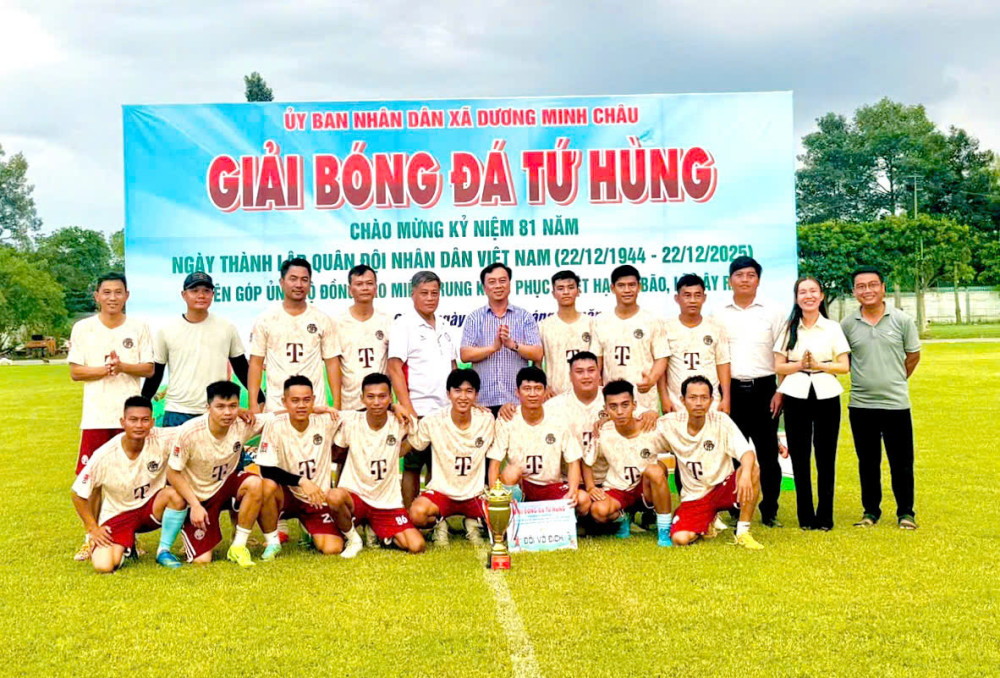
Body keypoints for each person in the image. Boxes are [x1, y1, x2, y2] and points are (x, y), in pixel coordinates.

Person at [68, 272, 154, 560]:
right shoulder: (83, 328)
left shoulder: (139, 327)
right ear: (97, 296)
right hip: (96, 417)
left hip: (130, 419)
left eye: (118, 292)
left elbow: (149, 368)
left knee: (130, 477)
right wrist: (105, 370)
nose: (113, 298)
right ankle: (90, 537)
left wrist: (123, 366)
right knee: (92, 479)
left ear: (127, 296)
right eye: (107, 292)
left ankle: (129, 538)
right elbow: (76, 372)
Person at [841, 266, 921, 529]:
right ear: (854, 291)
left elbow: (913, 356)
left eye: (873, 284)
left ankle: (906, 513)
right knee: (868, 462)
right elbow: (845, 359)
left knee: (902, 462)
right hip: (861, 405)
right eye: (861, 286)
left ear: (883, 287)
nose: (867, 290)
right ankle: (870, 511)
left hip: (896, 404)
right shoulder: (847, 325)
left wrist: (895, 379)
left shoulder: (902, 320)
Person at [536, 351, 659, 520]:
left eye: (591, 370)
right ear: (570, 376)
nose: (586, 376)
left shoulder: (612, 398)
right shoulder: (555, 406)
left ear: (599, 373)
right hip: (569, 479)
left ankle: (625, 513)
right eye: (579, 371)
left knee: (600, 513)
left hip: (611, 480)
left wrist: (651, 413)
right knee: (583, 508)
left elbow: (646, 414)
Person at [71, 396, 188, 572]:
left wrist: (228, 414)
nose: (139, 425)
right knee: (104, 566)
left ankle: (164, 551)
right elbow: (77, 493)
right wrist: (92, 528)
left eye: (145, 420)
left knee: (175, 495)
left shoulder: (162, 438)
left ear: (152, 422)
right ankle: (127, 546)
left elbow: (193, 429)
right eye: (133, 420)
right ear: (123, 422)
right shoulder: (104, 455)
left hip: (151, 508)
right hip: (119, 514)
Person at [167, 381, 274, 566]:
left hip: (225, 486)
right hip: (199, 497)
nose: (227, 412)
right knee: (202, 560)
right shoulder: (189, 432)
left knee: (255, 483)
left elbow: (278, 417)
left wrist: (316, 409)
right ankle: (192, 534)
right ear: (208, 407)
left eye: (233, 406)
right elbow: (172, 473)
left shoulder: (242, 423)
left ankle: (238, 545)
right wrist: (194, 505)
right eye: (220, 407)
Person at [713, 256, 785, 527]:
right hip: (731, 391)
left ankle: (770, 510)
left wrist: (780, 391)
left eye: (751, 275)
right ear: (730, 280)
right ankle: (736, 507)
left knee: (768, 455)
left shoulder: (774, 312)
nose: (745, 280)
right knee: (733, 453)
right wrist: (722, 396)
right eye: (739, 275)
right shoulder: (718, 314)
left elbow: (783, 354)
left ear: (758, 280)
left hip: (765, 389)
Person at [774, 277, 850, 531]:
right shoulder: (789, 328)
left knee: (826, 456)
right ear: (796, 298)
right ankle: (805, 516)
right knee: (800, 456)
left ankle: (825, 516)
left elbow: (844, 366)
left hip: (826, 393)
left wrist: (819, 365)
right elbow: (778, 366)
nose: (808, 296)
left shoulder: (832, 328)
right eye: (802, 292)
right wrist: (799, 365)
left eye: (813, 291)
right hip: (796, 394)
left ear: (821, 296)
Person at [659, 376, 764, 549]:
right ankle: (708, 522)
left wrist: (745, 474)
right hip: (695, 497)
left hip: (723, 488)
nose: (698, 403)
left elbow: (747, 453)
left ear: (711, 400)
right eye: (693, 398)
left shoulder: (721, 421)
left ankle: (743, 532)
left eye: (704, 398)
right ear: (683, 400)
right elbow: (645, 440)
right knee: (680, 539)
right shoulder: (670, 424)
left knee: (752, 469)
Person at [328, 373, 425, 557]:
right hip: (355, 497)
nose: (376, 402)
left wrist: (398, 450)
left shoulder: (400, 421)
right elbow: (320, 416)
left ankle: (381, 534)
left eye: (382, 396)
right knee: (334, 496)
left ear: (390, 397)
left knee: (416, 545)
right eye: (371, 397)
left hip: (387, 503)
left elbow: (419, 432)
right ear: (362, 398)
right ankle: (353, 538)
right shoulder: (351, 421)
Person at [142, 272, 253, 427]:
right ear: (184, 295)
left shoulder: (226, 327)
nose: (201, 295)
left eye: (206, 291)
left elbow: (241, 368)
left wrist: (260, 399)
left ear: (213, 294)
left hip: (216, 411)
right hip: (177, 411)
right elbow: (156, 373)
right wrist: (142, 403)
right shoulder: (167, 330)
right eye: (194, 291)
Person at [387, 270, 459, 508]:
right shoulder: (403, 325)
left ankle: (433, 515)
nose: (430, 298)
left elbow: (453, 366)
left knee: (438, 466)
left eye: (434, 293)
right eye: (424, 293)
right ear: (413, 294)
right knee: (412, 466)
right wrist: (408, 409)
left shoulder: (445, 325)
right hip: (418, 409)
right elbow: (394, 368)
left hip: (445, 411)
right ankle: (410, 514)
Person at [255, 375, 344, 556]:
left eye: (306, 400)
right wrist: (302, 481)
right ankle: (273, 541)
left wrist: (395, 407)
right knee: (267, 486)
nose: (301, 405)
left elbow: (366, 415)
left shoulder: (327, 420)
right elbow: (266, 469)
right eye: (295, 401)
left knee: (332, 548)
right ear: (284, 402)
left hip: (316, 497)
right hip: (287, 494)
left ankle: (308, 527)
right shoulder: (274, 424)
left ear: (314, 400)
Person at [406, 369, 495, 546]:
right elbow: (411, 445)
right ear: (448, 394)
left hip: (475, 493)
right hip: (442, 492)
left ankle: (473, 521)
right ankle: (439, 523)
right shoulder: (433, 421)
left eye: (469, 391)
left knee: (504, 514)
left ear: (476, 395)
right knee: (417, 514)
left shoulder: (487, 420)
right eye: (457, 391)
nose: (463, 397)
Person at [584, 380, 673, 546]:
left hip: (646, 488)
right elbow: (587, 461)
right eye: (613, 406)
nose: (619, 412)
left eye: (625, 405)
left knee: (656, 470)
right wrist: (590, 487)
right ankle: (623, 518)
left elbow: (678, 448)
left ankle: (664, 530)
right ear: (605, 409)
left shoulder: (651, 428)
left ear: (634, 405)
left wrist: (654, 413)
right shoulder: (603, 432)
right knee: (598, 511)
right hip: (618, 488)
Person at [248, 257, 341, 413]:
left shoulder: (322, 319)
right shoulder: (266, 319)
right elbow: (256, 364)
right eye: (293, 279)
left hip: (315, 408)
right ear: (282, 282)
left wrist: (337, 406)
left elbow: (332, 363)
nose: (299, 284)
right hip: (276, 409)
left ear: (310, 284)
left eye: (304, 280)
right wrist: (253, 405)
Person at [487, 367, 585, 505]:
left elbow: (573, 461)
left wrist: (573, 491)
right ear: (517, 392)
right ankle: (514, 509)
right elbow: (495, 463)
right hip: (522, 484)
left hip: (550, 485)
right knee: (510, 472)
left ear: (545, 392)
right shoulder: (507, 419)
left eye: (538, 389)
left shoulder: (559, 419)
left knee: (583, 500)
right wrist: (495, 497)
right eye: (527, 389)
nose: (532, 394)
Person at [460, 262, 543, 415]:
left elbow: (537, 353)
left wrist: (513, 345)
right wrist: (493, 348)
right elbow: (465, 355)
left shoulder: (524, 317)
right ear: (484, 288)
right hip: (483, 403)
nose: (498, 286)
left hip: (516, 402)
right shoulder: (474, 318)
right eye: (492, 282)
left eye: (502, 280)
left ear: (510, 284)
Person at [592, 265, 669, 413]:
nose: (627, 290)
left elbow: (661, 357)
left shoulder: (652, 320)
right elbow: (597, 361)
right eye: (621, 286)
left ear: (639, 287)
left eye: (632, 285)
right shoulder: (601, 321)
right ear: (612, 288)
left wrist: (651, 379)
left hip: (644, 399)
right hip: (613, 401)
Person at [663, 273, 731, 414]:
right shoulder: (665, 328)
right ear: (677, 298)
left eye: (697, 295)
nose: (692, 300)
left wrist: (726, 398)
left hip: (710, 403)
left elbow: (722, 364)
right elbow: (662, 367)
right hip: (677, 402)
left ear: (704, 298)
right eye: (687, 295)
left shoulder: (716, 327)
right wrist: (664, 398)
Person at [334, 264, 391, 411]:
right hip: (350, 406)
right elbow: (334, 368)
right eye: (359, 284)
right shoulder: (337, 323)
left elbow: (394, 367)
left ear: (376, 288)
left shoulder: (388, 321)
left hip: (381, 405)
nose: (365, 288)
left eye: (369, 283)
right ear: (349, 289)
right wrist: (337, 407)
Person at [538, 270, 593, 396]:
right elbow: (537, 362)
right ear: (553, 293)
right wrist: (543, 386)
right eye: (560, 288)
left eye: (571, 287)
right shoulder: (544, 326)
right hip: (554, 394)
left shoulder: (591, 324)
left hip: (587, 393)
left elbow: (599, 361)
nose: (566, 292)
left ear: (578, 291)